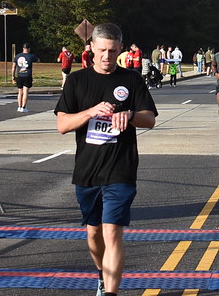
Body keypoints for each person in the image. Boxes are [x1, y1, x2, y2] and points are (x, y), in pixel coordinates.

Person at [55, 23, 157, 296]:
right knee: (93, 234)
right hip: (87, 171)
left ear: (121, 49)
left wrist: (130, 115)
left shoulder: (132, 80)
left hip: (121, 170)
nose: (107, 57)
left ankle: (111, 292)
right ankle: (102, 275)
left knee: (112, 232)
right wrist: (89, 112)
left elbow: (150, 120)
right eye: (102, 50)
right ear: (91, 49)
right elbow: (63, 124)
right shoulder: (78, 81)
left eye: (113, 51)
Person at [13, 43, 39, 113]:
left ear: (23, 48)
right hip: (27, 75)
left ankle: (19, 106)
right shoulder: (31, 56)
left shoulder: (17, 56)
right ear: (29, 49)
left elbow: (14, 66)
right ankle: (24, 107)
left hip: (19, 75)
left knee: (20, 92)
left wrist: (13, 76)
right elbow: (38, 60)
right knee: (25, 92)